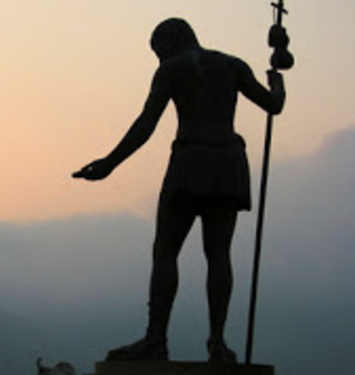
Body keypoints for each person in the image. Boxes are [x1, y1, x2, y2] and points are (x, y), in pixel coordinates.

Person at [73, 18, 285, 363]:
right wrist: (277, 82)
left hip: (189, 162)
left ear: (171, 42)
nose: (159, 59)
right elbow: (274, 104)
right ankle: (217, 342)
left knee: (165, 251)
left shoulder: (172, 70)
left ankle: (156, 339)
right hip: (227, 162)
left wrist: (110, 162)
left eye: (159, 52)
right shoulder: (232, 65)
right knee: (219, 255)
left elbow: (146, 123)